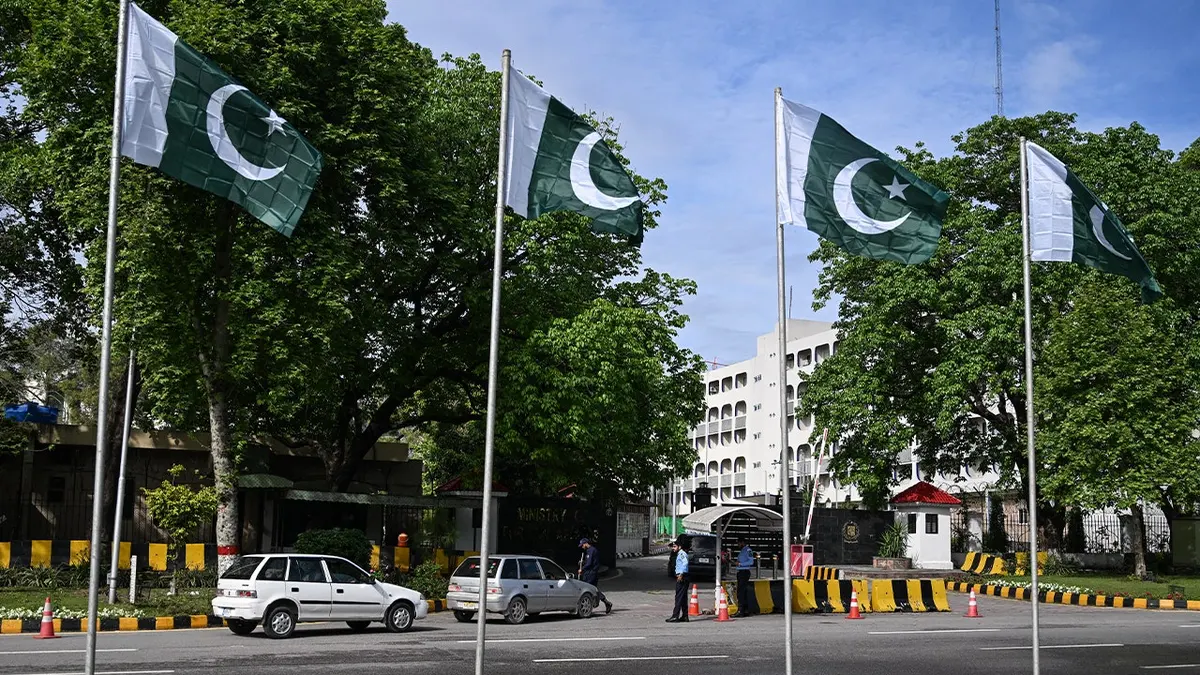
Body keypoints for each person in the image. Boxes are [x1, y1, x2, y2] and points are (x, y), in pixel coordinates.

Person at [578, 538, 613, 614]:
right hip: (593, 573)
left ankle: (592, 604)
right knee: (594, 589)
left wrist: (582, 569)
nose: (582, 547)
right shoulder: (591, 550)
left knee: (587, 588)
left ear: (586, 543)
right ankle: (605, 602)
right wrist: (583, 562)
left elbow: (589, 563)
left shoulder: (591, 551)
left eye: (582, 545)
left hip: (591, 573)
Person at [666, 539, 690, 622]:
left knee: (678, 597)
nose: (673, 548)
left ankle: (675, 616)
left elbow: (685, 563)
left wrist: (681, 574)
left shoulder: (682, 554)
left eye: (675, 546)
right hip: (683, 576)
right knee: (683, 597)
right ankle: (685, 616)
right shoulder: (679, 553)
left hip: (682, 577)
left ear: (680, 547)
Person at [733, 538, 754, 618]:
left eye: (739, 543)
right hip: (741, 572)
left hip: (744, 572)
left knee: (741, 592)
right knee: (743, 592)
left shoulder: (748, 550)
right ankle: (745, 610)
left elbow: (751, 561)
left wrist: (740, 564)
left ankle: (741, 611)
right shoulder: (742, 551)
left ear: (742, 543)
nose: (738, 545)